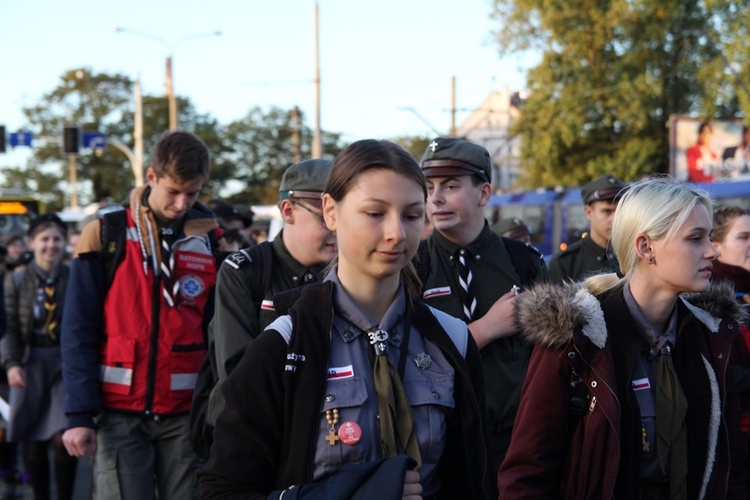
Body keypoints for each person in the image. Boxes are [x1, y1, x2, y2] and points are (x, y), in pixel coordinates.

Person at [199, 139, 493, 499]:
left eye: (412, 215)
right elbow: (223, 491)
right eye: (375, 213)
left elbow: (473, 483)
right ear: (330, 211)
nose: (396, 233)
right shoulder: (284, 346)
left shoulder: (453, 341)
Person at [498, 177, 748, 499]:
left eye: (710, 238)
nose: (713, 252)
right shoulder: (576, 339)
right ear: (646, 248)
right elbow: (527, 473)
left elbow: (732, 464)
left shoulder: (714, 336)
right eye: (695, 238)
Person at [60, 130, 219, 500]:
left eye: (192, 194)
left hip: (185, 415)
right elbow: (78, 330)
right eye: (173, 191)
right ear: (151, 178)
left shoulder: (210, 240)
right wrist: (79, 414)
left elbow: (217, 331)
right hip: (118, 414)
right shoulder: (106, 233)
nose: (182, 204)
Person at [417, 137, 547, 476]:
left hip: (514, 438)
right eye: (429, 187)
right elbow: (412, 358)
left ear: (484, 194)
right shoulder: (412, 266)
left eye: (451, 185)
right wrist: (486, 329)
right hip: (441, 442)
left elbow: (547, 356)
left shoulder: (523, 262)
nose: (436, 198)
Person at [196, 159, 336, 456]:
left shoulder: (343, 273)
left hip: (320, 438)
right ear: (288, 211)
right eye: (325, 217)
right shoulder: (245, 271)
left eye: (343, 217)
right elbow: (238, 370)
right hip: (249, 440)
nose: (336, 229)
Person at [1, 214, 77, 500]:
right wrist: (12, 364)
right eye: (44, 239)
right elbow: (9, 327)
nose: (51, 245)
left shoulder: (74, 276)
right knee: (33, 442)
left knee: (63, 437)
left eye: (56, 239)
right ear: (32, 243)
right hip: (30, 362)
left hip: (64, 363)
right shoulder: (18, 279)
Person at [548, 174, 626, 283]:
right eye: (607, 212)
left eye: (620, 211)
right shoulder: (565, 264)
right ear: (589, 212)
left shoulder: (636, 257)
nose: (615, 219)